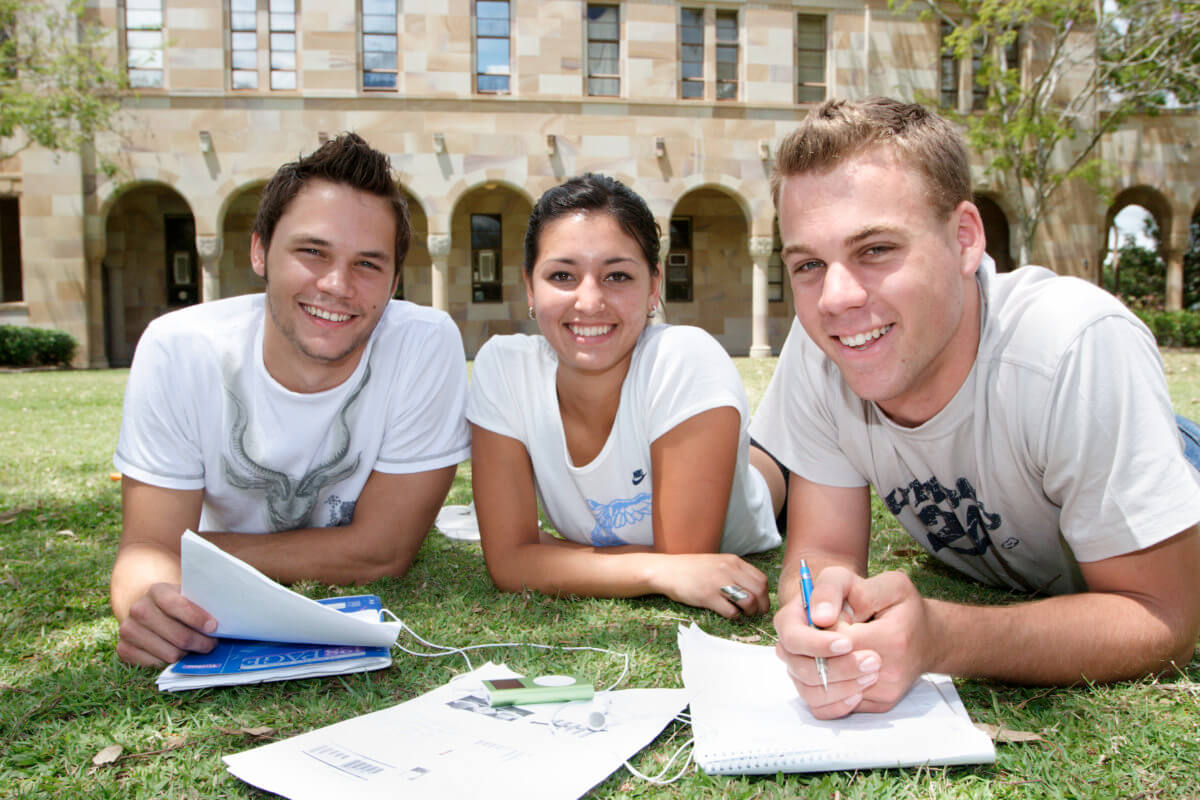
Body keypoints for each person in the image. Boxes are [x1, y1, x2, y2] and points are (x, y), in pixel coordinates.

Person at [750, 97, 1200, 720]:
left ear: (964, 239)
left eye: (876, 249)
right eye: (808, 264)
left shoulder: (1073, 347)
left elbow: (1162, 616)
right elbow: (822, 548)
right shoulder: (821, 349)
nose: (836, 297)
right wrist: (818, 608)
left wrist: (946, 637)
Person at [110, 133, 471, 667]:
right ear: (260, 250)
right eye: (312, 251)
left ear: (395, 279)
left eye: (368, 264)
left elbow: (385, 552)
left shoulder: (424, 342)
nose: (337, 285)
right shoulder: (179, 348)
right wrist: (151, 603)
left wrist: (198, 553)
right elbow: (145, 553)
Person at [467, 173, 785, 618]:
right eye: (562, 275)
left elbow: (683, 558)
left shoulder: (683, 360)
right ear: (529, 286)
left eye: (617, 275)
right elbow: (509, 562)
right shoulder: (504, 368)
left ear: (654, 285)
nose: (590, 301)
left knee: (766, 469)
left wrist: (553, 555)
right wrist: (656, 573)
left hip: (760, 486)